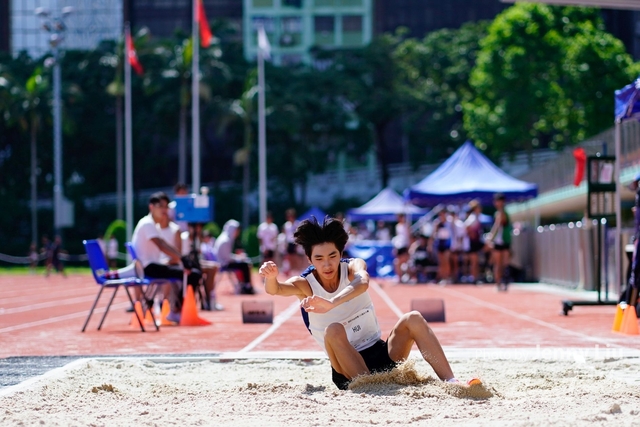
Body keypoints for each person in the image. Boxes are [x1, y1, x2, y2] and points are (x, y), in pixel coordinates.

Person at [259, 216, 479, 390]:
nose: (327, 264)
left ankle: (451, 381)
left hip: (381, 354)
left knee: (413, 318)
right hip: (348, 368)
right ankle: (372, 387)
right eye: (319, 259)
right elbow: (275, 289)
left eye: (332, 256)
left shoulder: (353, 266)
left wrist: (331, 302)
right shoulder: (305, 284)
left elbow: (363, 282)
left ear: (341, 253)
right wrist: (271, 277)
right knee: (333, 330)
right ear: (309, 259)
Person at [132, 192, 202, 323]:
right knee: (193, 274)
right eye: (160, 206)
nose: (164, 210)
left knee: (187, 271)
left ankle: (175, 309)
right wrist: (182, 258)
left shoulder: (153, 225)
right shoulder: (147, 223)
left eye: (166, 207)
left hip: (151, 266)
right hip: (147, 268)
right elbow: (161, 245)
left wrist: (180, 258)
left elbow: (163, 245)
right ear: (151, 207)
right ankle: (175, 311)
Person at [213, 219, 255, 295]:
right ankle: (246, 286)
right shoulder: (225, 240)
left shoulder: (225, 238)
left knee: (243, 264)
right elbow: (228, 258)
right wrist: (239, 258)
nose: (238, 232)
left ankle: (244, 285)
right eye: (237, 230)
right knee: (245, 265)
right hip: (223, 264)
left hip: (223, 262)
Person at [487, 193, 512, 291]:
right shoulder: (499, 212)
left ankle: (502, 282)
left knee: (503, 263)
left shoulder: (502, 213)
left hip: (504, 240)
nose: (496, 203)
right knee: (499, 263)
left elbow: (497, 226)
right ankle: (499, 282)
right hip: (500, 241)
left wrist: (490, 237)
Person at [464, 199, 485, 284]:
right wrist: (472, 234)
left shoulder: (477, 217)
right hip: (473, 242)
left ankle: (475, 277)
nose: (480, 209)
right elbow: (466, 226)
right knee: (474, 261)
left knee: (476, 261)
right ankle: (473, 277)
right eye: (479, 207)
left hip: (476, 242)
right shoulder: (473, 217)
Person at [432, 209, 452, 284]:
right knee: (441, 262)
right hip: (440, 244)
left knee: (446, 261)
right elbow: (434, 233)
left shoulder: (449, 223)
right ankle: (442, 277)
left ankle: (447, 277)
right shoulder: (437, 223)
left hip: (447, 244)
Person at [282, 208, 300, 274]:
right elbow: (285, 235)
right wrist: (285, 244)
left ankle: (297, 271)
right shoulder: (286, 225)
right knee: (289, 258)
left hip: (295, 242)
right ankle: (291, 271)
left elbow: (298, 234)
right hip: (289, 242)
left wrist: (297, 244)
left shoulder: (297, 224)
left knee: (295, 257)